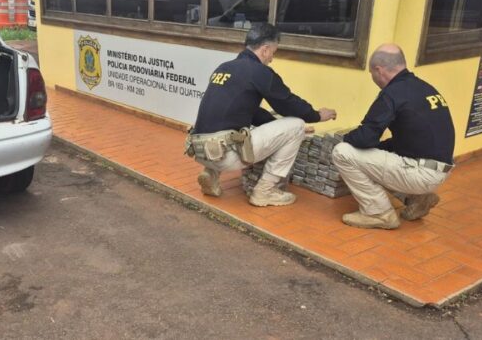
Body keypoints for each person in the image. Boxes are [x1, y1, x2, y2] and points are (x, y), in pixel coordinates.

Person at [186, 23, 337, 207]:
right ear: (265, 50)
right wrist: (317, 115)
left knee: (227, 123)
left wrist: (277, 127)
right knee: (297, 125)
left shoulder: (224, 67)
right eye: (273, 52)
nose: (272, 59)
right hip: (226, 156)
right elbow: (288, 103)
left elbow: (250, 111)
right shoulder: (260, 72)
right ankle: (265, 191)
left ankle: (210, 173)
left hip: (200, 150)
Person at [331, 44, 455, 229]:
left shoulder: (391, 94)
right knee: (377, 154)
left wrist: (343, 139)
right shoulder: (423, 88)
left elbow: (365, 137)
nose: (373, 78)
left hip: (422, 174)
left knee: (342, 152)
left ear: (379, 70)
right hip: (440, 169)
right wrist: (376, 148)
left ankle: (379, 214)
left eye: (371, 73)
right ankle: (418, 199)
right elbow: (409, 139)